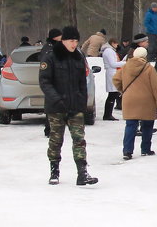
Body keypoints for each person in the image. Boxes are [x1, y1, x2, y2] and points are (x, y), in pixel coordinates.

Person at [38, 25, 97, 186]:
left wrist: (82, 102)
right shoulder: (51, 57)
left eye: (76, 41)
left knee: (79, 139)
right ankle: (54, 171)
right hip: (56, 108)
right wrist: (56, 99)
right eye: (71, 41)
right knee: (56, 140)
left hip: (75, 107)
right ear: (63, 41)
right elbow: (44, 82)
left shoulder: (78, 57)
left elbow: (82, 84)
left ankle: (82, 173)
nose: (74, 44)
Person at [114, 46, 157, 160]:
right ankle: (145, 149)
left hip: (130, 100)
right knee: (147, 125)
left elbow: (116, 79)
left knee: (130, 125)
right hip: (146, 101)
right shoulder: (149, 68)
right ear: (145, 56)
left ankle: (127, 151)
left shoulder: (126, 66)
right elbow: (156, 86)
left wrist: (123, 90)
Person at [101, 37, 123, 120]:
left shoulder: (109, 51)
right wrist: (124, 63)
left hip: (112, 73)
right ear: (113, 43)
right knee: (112, 94)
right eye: (116, 43)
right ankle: (107, 114)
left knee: (113, 94)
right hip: (112, 73)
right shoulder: (109, 51)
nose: (117, 45)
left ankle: (108, 114)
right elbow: (113, 64)